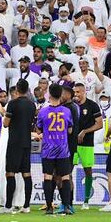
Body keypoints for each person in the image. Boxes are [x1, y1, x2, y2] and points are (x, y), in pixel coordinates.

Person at [36, 83, 74, 215]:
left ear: (49, 94)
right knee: (65, 177)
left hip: (48, 148)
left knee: (48, 176)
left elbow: (39, 129)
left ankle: (49, 207)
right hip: (62, 148)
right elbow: (70, 130)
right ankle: (67, 206)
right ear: (61, 94)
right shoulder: (67, 111)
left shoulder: (43, 111)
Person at [0, 78, 35, 214]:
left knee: (10, 173)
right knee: (26, 173)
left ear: (17, 90)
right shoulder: (32, 105)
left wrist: (4, 115)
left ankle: (8, 206)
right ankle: (26, 206)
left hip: (14, 142)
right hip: (27, 141)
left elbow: (6, 124)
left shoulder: (12, 104)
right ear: (26, 90)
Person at [72, 82, 103, 210]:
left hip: (87, 144)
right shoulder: (71, 106)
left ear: (84, 92)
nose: (76, 95)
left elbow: (100, 124)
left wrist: (85, 131)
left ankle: (86, 200)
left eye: (78, 92)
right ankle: (68, 200)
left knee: (88, 170)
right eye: (74, 92)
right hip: (72, 144)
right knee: (67, 171)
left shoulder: (92, 105)